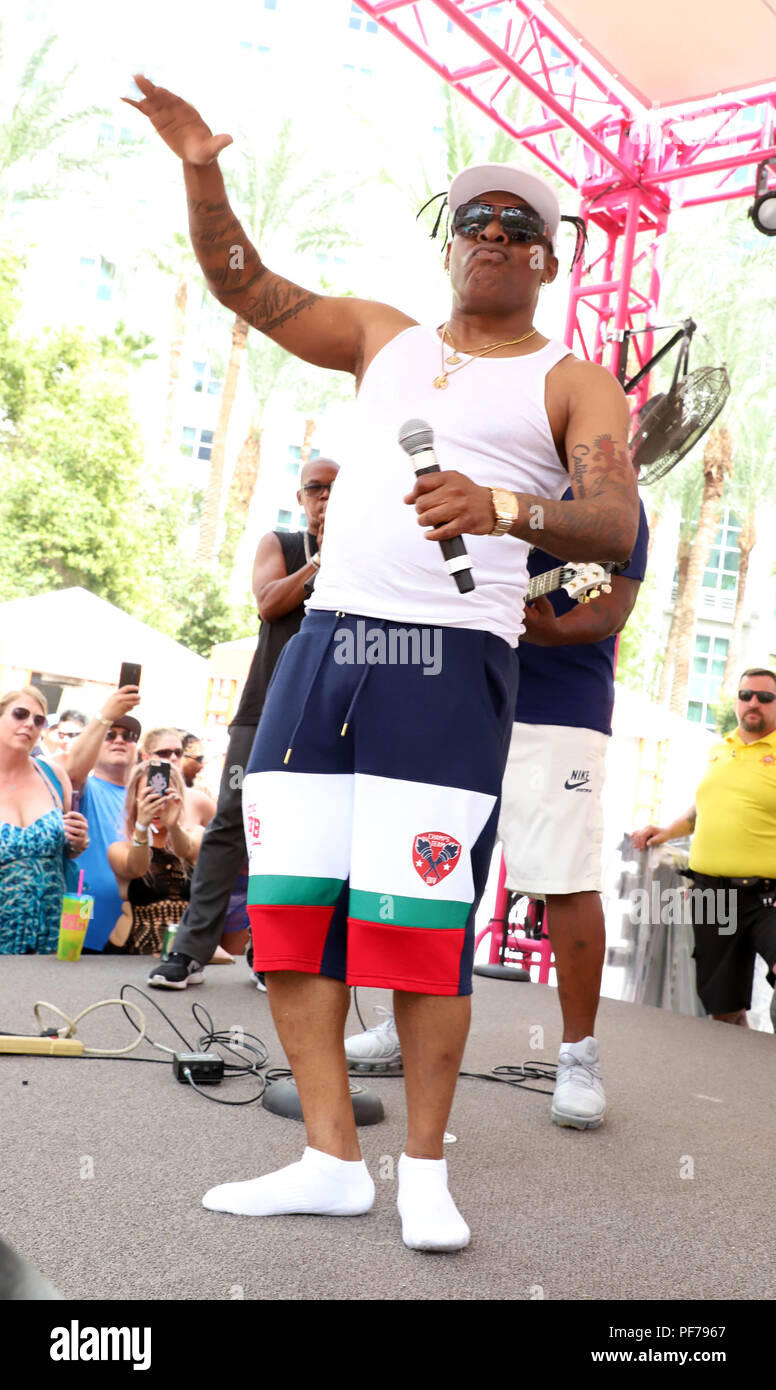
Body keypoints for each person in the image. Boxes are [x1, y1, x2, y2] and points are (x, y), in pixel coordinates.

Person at [128, 76, 639, 1252]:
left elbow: (608, 526)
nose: (496, 238)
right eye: (477, 220)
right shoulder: (378, 336)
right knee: (291, 910)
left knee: (417, 921)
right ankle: (326, 1156)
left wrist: (510, 503)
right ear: (449, 244)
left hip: (449, 662)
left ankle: (421, 1171)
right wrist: (203, 168)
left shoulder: (569, 381)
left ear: (547, 263)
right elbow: (241, 286)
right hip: (326, 646)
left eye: (520, 227)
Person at [346, 497, 649, 1133]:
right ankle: (408, 1026)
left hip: (559, 710)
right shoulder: (481, 469)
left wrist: (556, 628)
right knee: (432, 869)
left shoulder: (608, 497)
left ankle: (578, 1056)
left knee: (564, 878)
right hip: (461, 688)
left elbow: (613, 603)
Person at [148, 455, 339, 988]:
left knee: (302, 836)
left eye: (336, 488)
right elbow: (269, 602)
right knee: (231, 823)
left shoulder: (366, 556)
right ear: (300, 497)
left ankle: (269, 950)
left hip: (328, 716)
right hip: (265, 710)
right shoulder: (282, 543)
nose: (325, 496)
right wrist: (325, 559)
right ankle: (190, 951)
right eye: (315, 488)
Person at [632, 668, 776, 1029]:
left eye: (765, 697)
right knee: (723, 1009)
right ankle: (739, 1081)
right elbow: (703, 809)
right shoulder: (720, 749)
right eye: (746, 696)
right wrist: (665, 831)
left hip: (768, 896)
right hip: (713, 895)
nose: (753, 703)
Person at [0, 688, 88, 953]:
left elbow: (67, 852)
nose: (29, 724)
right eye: (20, 714)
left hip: (51, 928)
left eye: (39, 720)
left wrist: (78, 841)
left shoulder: (53, 774)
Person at [58, 685, 142, 951]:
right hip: (81, 921)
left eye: (128, 736)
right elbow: (73, 770)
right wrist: (104, 716)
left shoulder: (142, 797)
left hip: (133, 932)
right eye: (110, 735)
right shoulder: (85, 788)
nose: (119, 740)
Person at [106, 761, 201, 953]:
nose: (157, 804)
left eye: (163, 795)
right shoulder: (119, 849)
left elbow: (186, 851)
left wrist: (173, 825)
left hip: (179, 957)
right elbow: (137, 868)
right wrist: (141, 827)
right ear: (135, 800)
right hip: (128, 955)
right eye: (149, 796)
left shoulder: (196, 834)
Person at [139, 728, 216, 827]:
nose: (173, 758)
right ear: (146, 758)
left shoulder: (200, 801)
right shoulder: (133, 798)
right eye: (164, 753)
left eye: (178, 753)